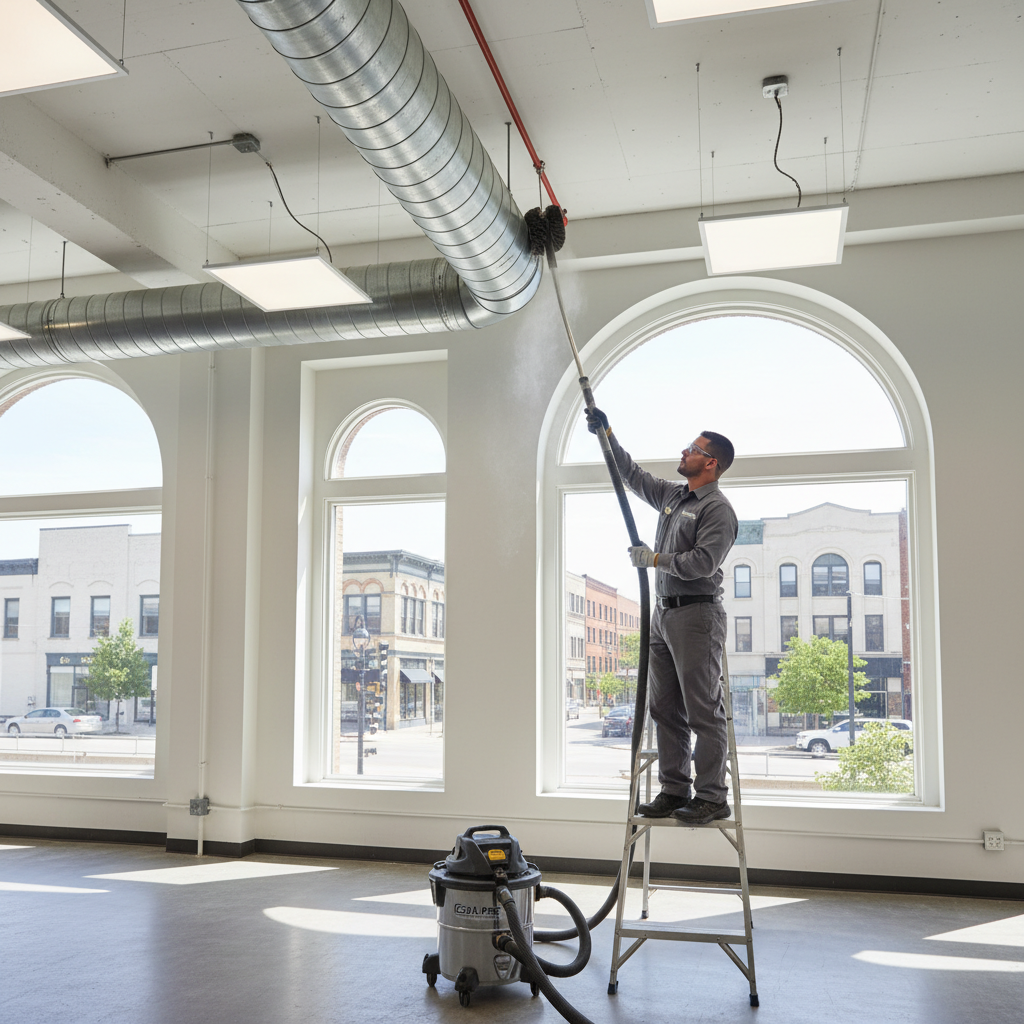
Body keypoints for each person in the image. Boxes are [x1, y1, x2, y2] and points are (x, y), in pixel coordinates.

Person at [587, 408, 738, 825]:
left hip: (697, 617)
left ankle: (712, 796)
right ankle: (675, 789)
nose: (684, 451)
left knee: (702, 711)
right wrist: (607, 433)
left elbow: (704, 563)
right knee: (663, 708)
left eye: (693, 449)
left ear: (711, 463)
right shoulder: (674, 496)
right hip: (662, 617)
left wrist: (655, 559)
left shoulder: (718, 510)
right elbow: (631, 475)